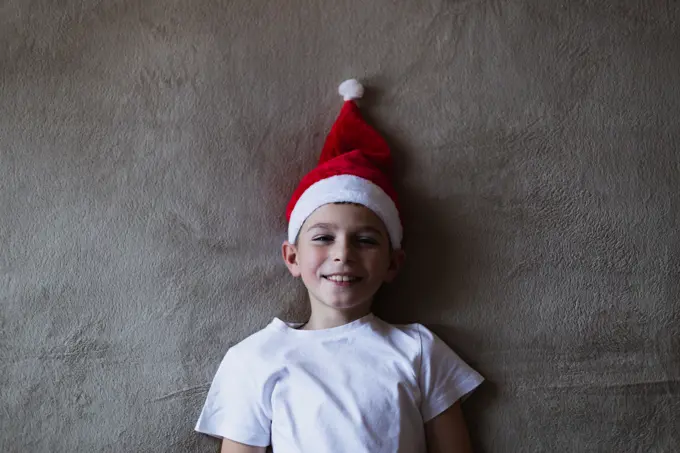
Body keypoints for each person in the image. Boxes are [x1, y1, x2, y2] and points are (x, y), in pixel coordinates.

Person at [195, 79, 484, 453]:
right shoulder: (254, 359)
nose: (342, 254)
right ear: (292, 258)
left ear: (394, 263)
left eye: (365, 240)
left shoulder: (420, 351)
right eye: (323, 238)